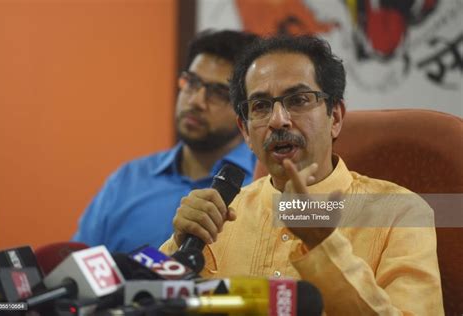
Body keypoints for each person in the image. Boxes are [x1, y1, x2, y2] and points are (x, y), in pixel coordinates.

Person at [160, 35, 444, 314]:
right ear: (245, 131)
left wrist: (322, 244)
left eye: (298, 100)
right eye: (260, 106)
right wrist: (180, 246)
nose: (278, 120)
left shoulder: (402, 214)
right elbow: (142, 302)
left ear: (335, 117)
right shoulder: (221, 214)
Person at [72, 30, 258, 252]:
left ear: (248, 109)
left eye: (218, 92)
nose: (196, 101)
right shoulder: (127, 180)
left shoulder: (270, 184)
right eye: (192, 82)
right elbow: (79, 267)